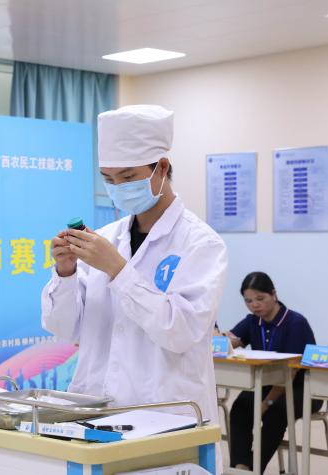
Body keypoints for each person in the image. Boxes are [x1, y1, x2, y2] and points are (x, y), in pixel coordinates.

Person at [41, 104, 228, 468]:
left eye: (128, 177)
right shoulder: (107, 238)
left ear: (161, 168)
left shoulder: (201, 244)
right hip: (97, 419)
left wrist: (117, 269)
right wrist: (65, 272)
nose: (118, 188)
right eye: (108, 179)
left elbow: (180, 331)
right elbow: (64, 329)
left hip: (166, 421)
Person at [227, 271, 322, 473]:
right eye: (248, 301)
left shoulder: (295, 323)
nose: (255, 305)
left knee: (276, 412)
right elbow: (232, 340)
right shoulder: (253, 321)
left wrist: (265, 403)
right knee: (241, 407)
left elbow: (290, 374)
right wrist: (220, 338)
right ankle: (239, 467)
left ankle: (252, 468)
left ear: (273, 294)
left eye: (260, 298)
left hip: (303, 389)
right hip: (268, 384)